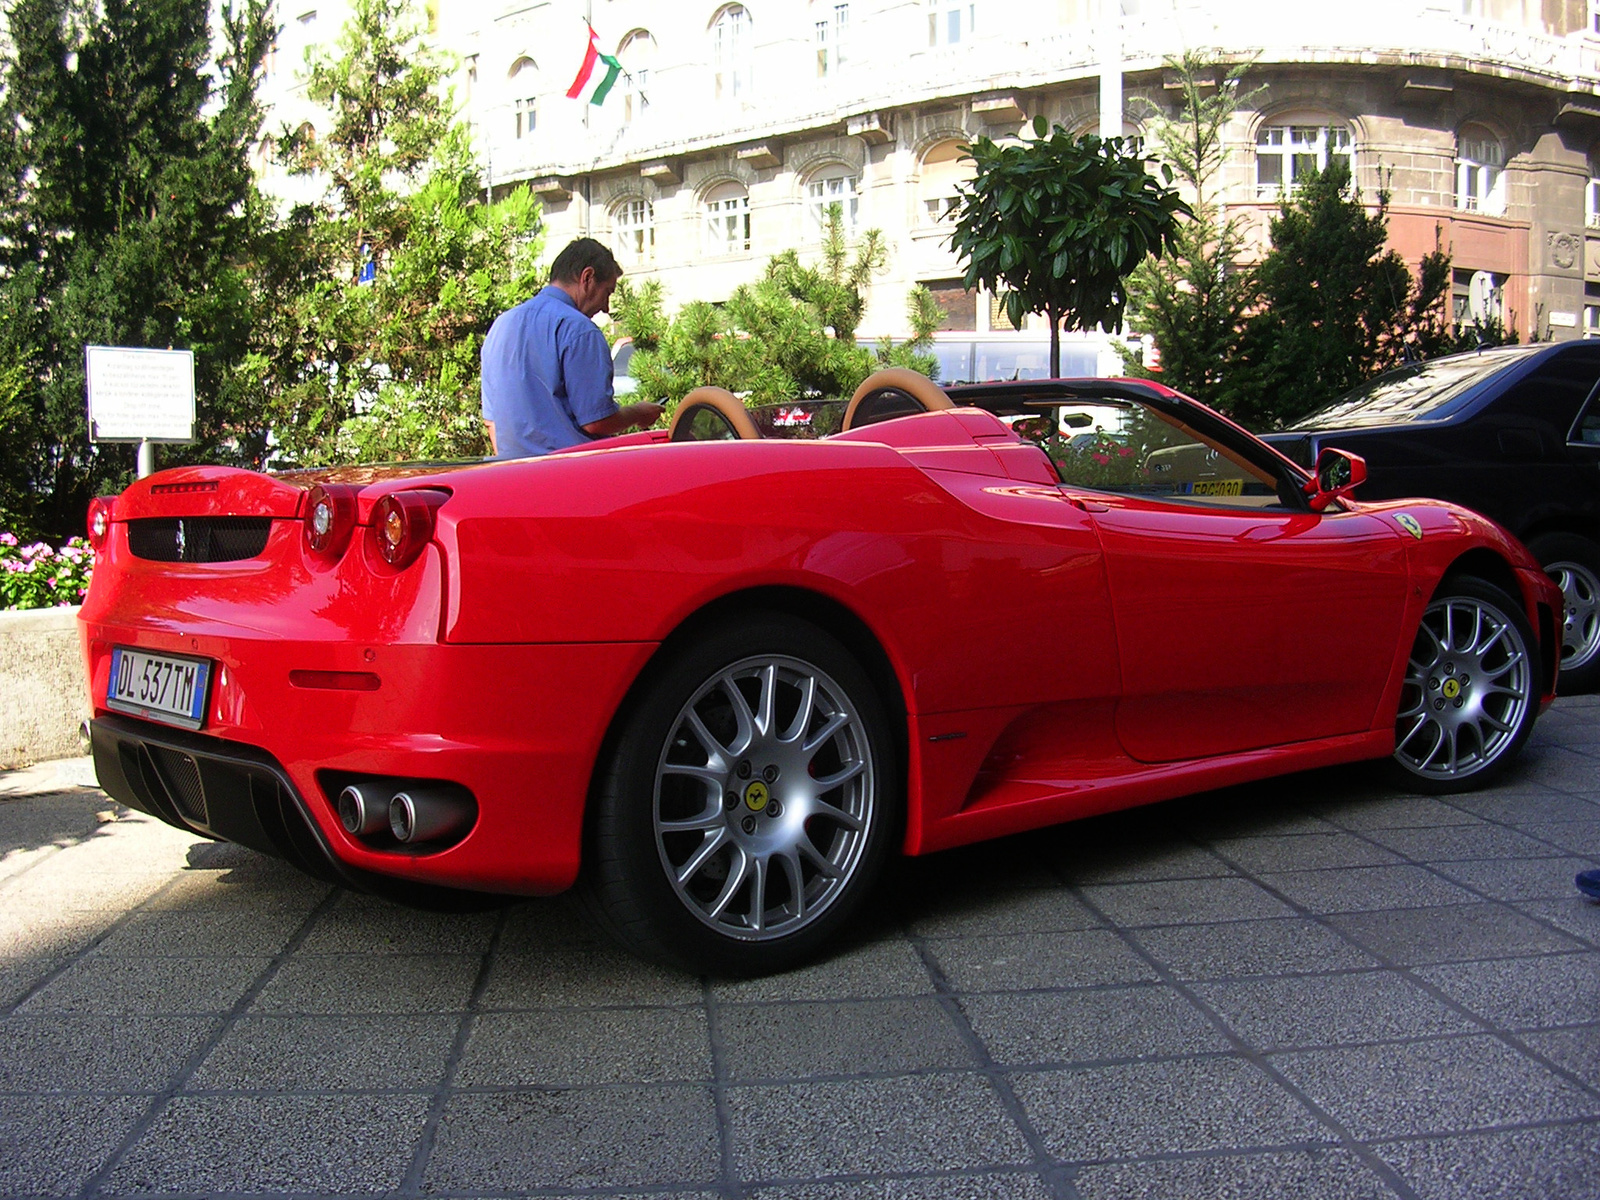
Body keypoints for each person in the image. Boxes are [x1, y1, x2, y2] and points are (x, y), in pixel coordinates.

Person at [481, 238, 663, 458]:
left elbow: (491, 422)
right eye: (608, 292)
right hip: (570, 475)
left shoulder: (501, 325)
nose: (606, 307)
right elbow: (596, 421)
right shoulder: (579, 330)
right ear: (587, 277)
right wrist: (638, 412)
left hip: (512, 477)